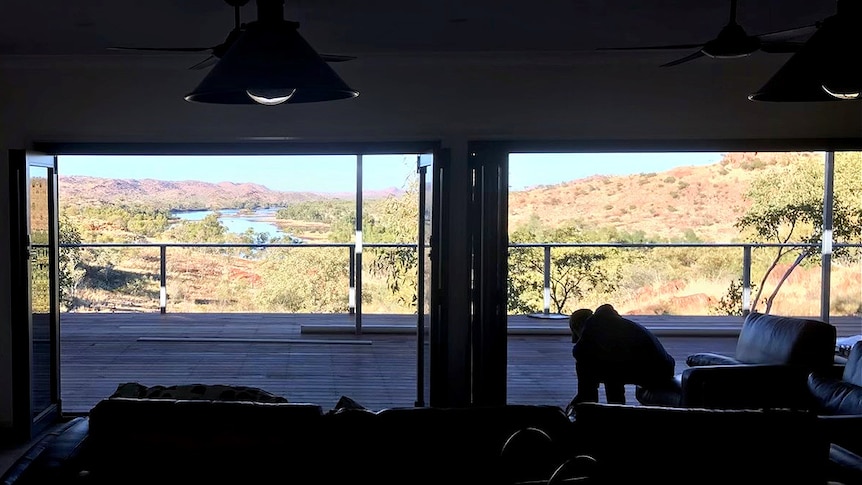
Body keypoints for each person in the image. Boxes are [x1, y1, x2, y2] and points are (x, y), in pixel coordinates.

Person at [565, 303, 675, 414]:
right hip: (665, 368)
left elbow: (585, 391)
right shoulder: (614, 323)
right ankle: (615, 409)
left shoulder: (589, 336)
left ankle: (601, 411)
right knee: (609, 364)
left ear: (577, 326)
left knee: (596, 365)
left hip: (654, 373)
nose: (578, 340)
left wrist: (573, 406)